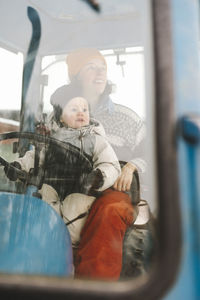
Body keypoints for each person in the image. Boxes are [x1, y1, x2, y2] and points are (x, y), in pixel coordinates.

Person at [46, 48, 149, 280]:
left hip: (113, 186)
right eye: (91, 67)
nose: (100, 72)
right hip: (65, 183)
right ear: (75, 76)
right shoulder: (55, 117)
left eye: (102, 67)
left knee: (109, 210)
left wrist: (132, 166)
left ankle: (93, 288)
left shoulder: (128, 117)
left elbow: (151, 152)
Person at [4, 91, 121, 247]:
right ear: (60, 117)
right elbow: (35, 157)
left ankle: (71, 251)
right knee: (39, 207)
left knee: (75, 214)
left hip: (81, 190)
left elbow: (111, 165)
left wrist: (99, 177)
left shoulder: (96, 141)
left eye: (85, 109)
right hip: (50, 189)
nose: (81, 112)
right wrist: (18, 166)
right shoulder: (51, 139)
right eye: (74, 109)